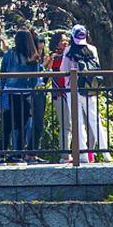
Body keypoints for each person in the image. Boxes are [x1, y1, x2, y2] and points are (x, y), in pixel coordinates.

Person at [59, 25, 111, 163]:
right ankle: (105, 153)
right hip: (90, 89)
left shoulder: (69, 50)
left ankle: (82, 155)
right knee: (95, 121)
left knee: (78, 123)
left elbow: (63, 70)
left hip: (73, 90)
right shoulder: (92, 49)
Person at [0, 30, 45, 163]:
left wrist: (1, 89)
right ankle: (18, 154)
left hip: (9, 93)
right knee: (21, 125)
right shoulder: (33, 57)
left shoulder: (9, 54)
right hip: (25, 94)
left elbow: (3, 73)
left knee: (7, 125)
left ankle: (1, 155)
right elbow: (35, 80)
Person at [47, 31, 71, 162]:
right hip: (61, 94)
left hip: (68, 93)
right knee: (66, 125)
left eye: (66, 40)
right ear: (56, 44)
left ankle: (69, 153)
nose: (65, 42)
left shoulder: (68, 55)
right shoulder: (55, 58)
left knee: (70, 125)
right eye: (62, 41)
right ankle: (65, 155)